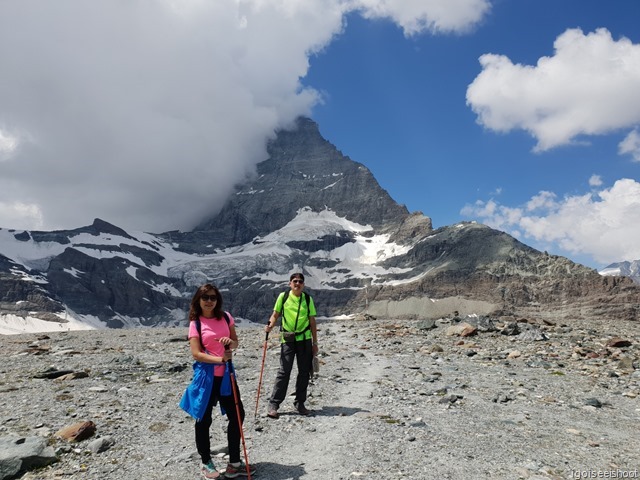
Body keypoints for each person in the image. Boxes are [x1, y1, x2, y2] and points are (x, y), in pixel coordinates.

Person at [187, 284, 255, 479]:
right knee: (203, 419)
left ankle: (234, 462)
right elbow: (196, 354)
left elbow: (235, 341)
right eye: (205, 297)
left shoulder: (226, 317)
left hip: (226, 376)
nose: (209, 301)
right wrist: (220, 360)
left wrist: (229, 344)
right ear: (198, 300)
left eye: (213, 297)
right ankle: (206, 462)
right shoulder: (195, 323)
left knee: (237, 415)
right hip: (207, 378)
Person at [265, 273, 318, 418]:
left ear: (303, 284)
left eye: (300, 281)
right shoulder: (283, 297)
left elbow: (312, 321)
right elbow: (275, 315)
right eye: (295, 281)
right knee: (284, 371)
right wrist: (270, 325)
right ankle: (274, 403)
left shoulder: (307, 299)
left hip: (304, 339)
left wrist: (315, 342)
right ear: (290, 283)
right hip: (288, 339)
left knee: (304, 372)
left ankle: (300, 403)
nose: (297, 283)